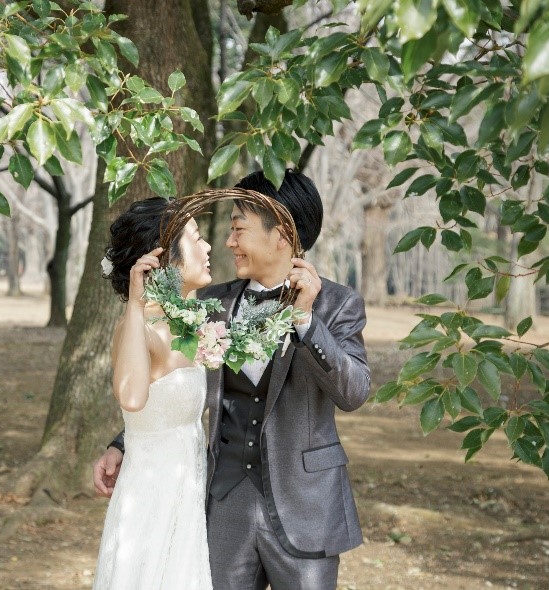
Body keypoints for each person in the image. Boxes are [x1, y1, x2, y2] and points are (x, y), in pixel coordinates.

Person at [94, 170, 370, 590]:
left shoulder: (338, 305)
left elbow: (354, 392)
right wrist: (123, 442)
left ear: (281, 233)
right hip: (224, 505)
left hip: (306, 506)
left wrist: (307, 321)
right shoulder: (210, 303)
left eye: (238, 228)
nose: (228, 242)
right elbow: (173, 381)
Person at [93, 197, 214, 590]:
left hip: (185, 497)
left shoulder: (190, 320)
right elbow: (131, 399)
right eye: (196, 239)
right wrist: (135, 303)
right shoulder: (140, 327)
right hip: (150, 502)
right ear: (165, 258)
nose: (208, 247)